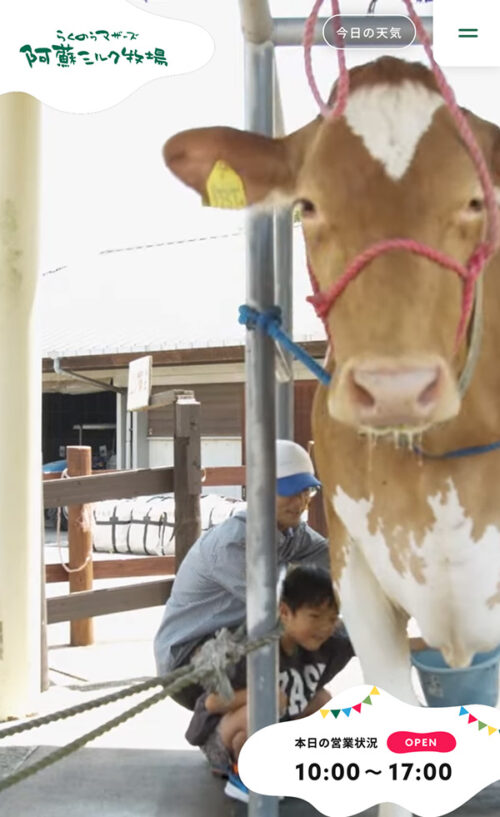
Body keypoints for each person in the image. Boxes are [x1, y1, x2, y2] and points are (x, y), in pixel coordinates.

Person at [153, 439, 330, 711]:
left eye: (307, 491)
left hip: (242, 645)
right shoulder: (233, 542)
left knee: (325, 683)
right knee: (308, 630)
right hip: (191, 660)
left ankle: (265, 712)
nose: (301, 501)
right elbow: (274, 605)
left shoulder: (294, 534)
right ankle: (213, 723)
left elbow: (339, 560)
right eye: (290, 492)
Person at [184, 564, 355, 803]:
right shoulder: (254, 647)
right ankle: (243, 775)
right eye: (315, 617)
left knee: (323, 701)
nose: (324, 627)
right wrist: (263, 695)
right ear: (284, 612)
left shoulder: (329, 643)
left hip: (272, 727)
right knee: (266, 701)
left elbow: (376, 641)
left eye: (332, 619)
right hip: (223, 737)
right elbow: (212, 703)